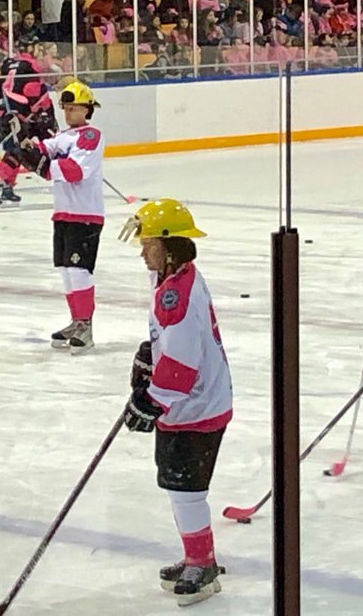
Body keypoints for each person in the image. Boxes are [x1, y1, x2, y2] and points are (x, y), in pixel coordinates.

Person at [118, 198, 230, 607]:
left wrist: (151, 402)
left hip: (195, 406)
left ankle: (202, 565)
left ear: (170, 246)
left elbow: (183, 365)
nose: (142, 251)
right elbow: (171, 345)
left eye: (148, 243)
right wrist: (151, 353)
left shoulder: (177, 295)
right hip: (190, 402)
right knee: (178, 485)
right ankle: (196, 557)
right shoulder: (172, 278)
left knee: (186, 490)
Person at [18, 81, 104, 353]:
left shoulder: (90, 136)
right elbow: (42, 148)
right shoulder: (64, 136)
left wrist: (42, 167)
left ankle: (85, 325)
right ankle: (75, 321)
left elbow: (75, 170)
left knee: (79, 271)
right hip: (64, 213)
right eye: (65, 108)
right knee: (67, 271)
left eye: (74, 108)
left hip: (85, 213)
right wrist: (22, 139)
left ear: (87, 109)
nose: (68, 113)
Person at [0, 33, 56, 205]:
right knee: (18, 150)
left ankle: (7, 188)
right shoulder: (31, 65)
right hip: (19, 113)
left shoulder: (8, 63)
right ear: (30, 47)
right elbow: (32, 91)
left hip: (4, 111)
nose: (38, 50)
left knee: (15, 149)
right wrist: (38, 111)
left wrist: (4, 113)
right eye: (36, 46)